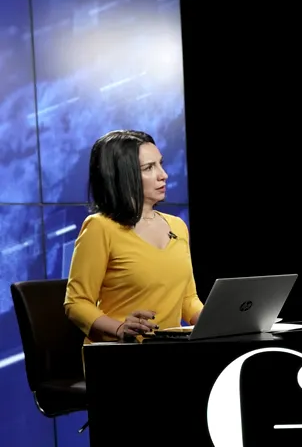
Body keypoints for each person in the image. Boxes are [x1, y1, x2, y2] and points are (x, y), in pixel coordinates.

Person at [64, 130, 203, 344]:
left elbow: (187, 299)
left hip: (169, 350)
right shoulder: (100, 227)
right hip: (119, 352)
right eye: (149, 168)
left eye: (160, 164)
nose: (163, 175)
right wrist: (119, 329)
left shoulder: (178, 226)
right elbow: (76, 303)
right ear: (123, 176)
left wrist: (216, 322)